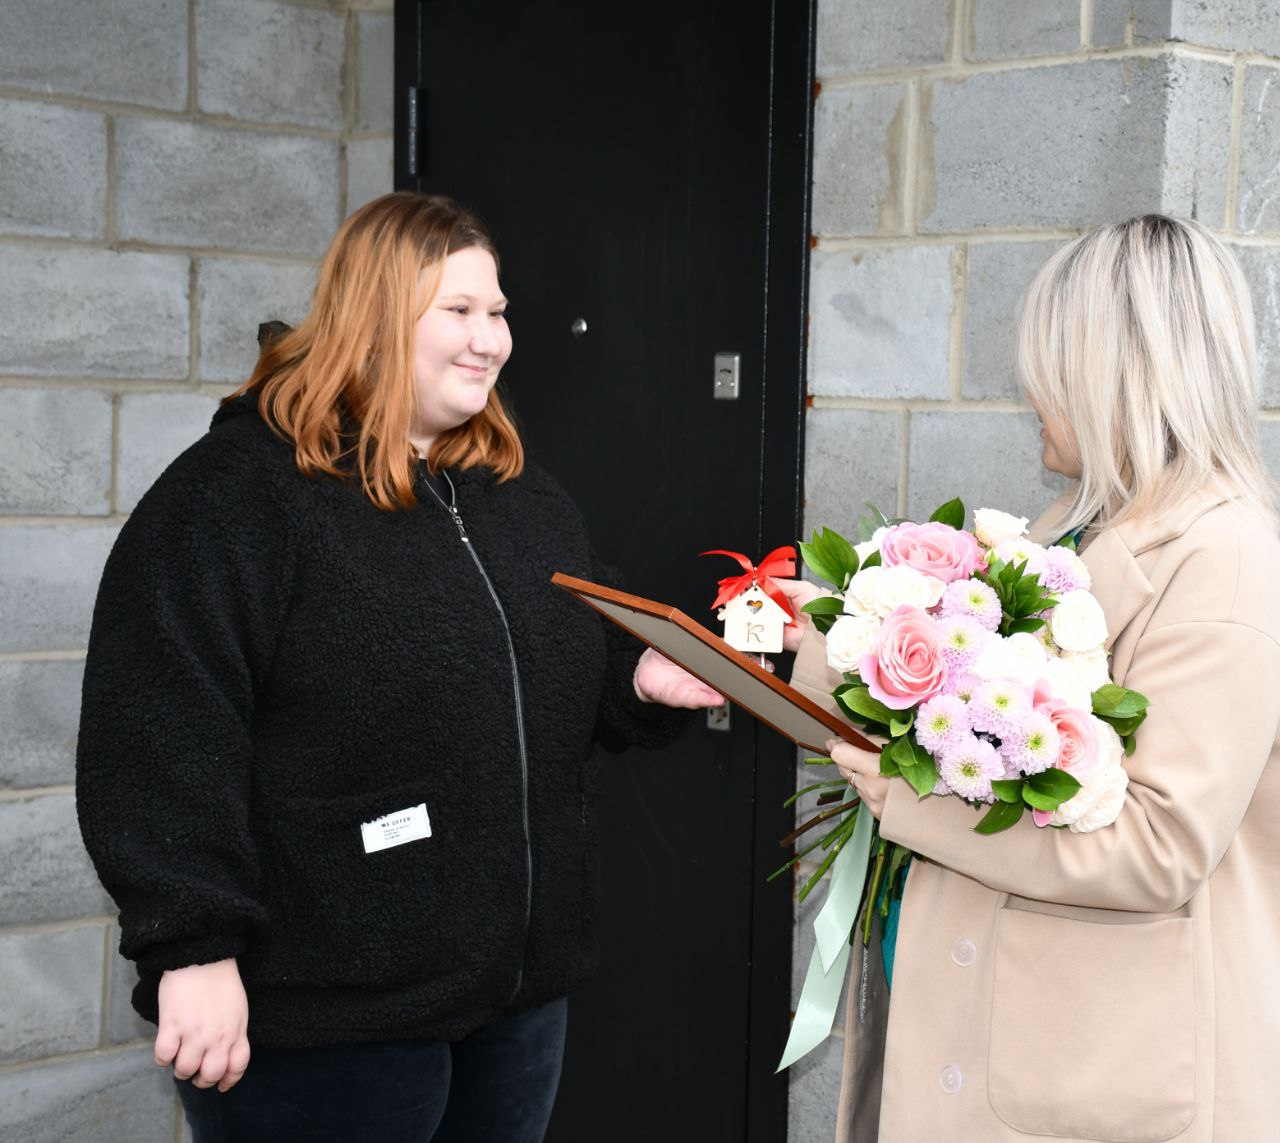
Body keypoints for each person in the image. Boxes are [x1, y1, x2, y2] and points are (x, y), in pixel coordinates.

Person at [75, 192, 723, 1143]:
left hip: (512, 1003)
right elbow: (158, 730)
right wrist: (194, 949)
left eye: (497, 311)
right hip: (325, 1020)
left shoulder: (516, 493)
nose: (491, 339)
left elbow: (563, 651)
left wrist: (637, 679)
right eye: (457, 311)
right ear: (375, 316)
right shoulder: (237, 498)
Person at [785, 215, 1280, 1141]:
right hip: (1005, 1013)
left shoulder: (1226, 558)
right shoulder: (1074, 524)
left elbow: (1158, 844)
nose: (1029, 390)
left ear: (1108, 373)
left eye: (1046, 362)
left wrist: (909, 798)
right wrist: (812, 641)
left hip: (1100, 1057)